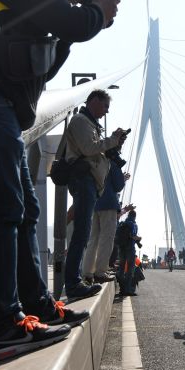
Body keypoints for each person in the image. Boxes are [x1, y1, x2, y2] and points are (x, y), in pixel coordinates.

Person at [0, 0, 119, 361]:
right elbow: (69, 19)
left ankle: (35, 305)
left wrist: (75, 26)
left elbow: (45, 66)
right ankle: (4, 324)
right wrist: (97, 14)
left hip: (1, 107)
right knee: (4, 209)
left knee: (25, 209)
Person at [65, 89, 127, 299]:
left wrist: (113, 144)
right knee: (83, 234)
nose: (106, 112)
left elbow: (95, 150)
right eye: (105, 107)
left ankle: (79, 278)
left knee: (86, 234)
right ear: (94, 100)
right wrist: (112, 140)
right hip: (84, 181)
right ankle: (74, 283)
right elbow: (89, 148)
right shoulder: (81, 121)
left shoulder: (89, 124)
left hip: (91, 184)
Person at [82, 156, 128, 284]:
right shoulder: (112, 164)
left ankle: (87, 272)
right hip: (109, 204)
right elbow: (118, 186)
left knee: (93, 240)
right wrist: (122, 176)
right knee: (106, 239)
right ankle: (100, 272)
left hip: (95, 203)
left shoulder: (95, 161)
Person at [118, 210, 142, 296]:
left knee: (121, 268)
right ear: (135, 216)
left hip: (121, 248)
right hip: (130, 249)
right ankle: (128, 289)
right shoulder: (133, 224)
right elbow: (132, 236)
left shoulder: (122, 223)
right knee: (130, 270)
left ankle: (121, 289)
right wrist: (139, 239)